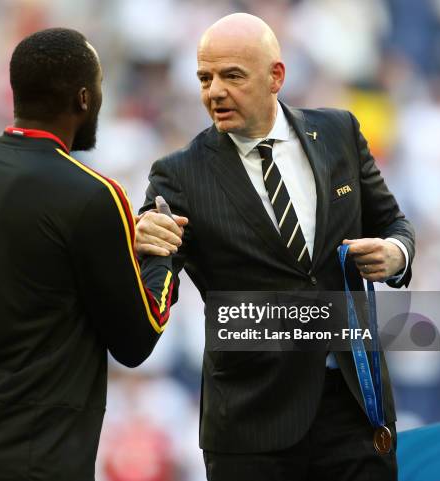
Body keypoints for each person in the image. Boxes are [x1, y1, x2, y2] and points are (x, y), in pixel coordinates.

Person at [135, 13, 414, 481]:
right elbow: (153, 291)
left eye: (232, 76)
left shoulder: (340, 133)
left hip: (354, 407)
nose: (214, 91)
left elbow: (393, 222)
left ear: (276, 77)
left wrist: (396, 254)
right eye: (205, 78)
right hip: (253, 425)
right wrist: (138, 244)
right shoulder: (177, 174)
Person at [0, 28, 180, 481]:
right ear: (83, 98)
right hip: (37, 459)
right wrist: (160, 255)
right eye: (98, 88)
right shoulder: (94, 194)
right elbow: (138, 340)